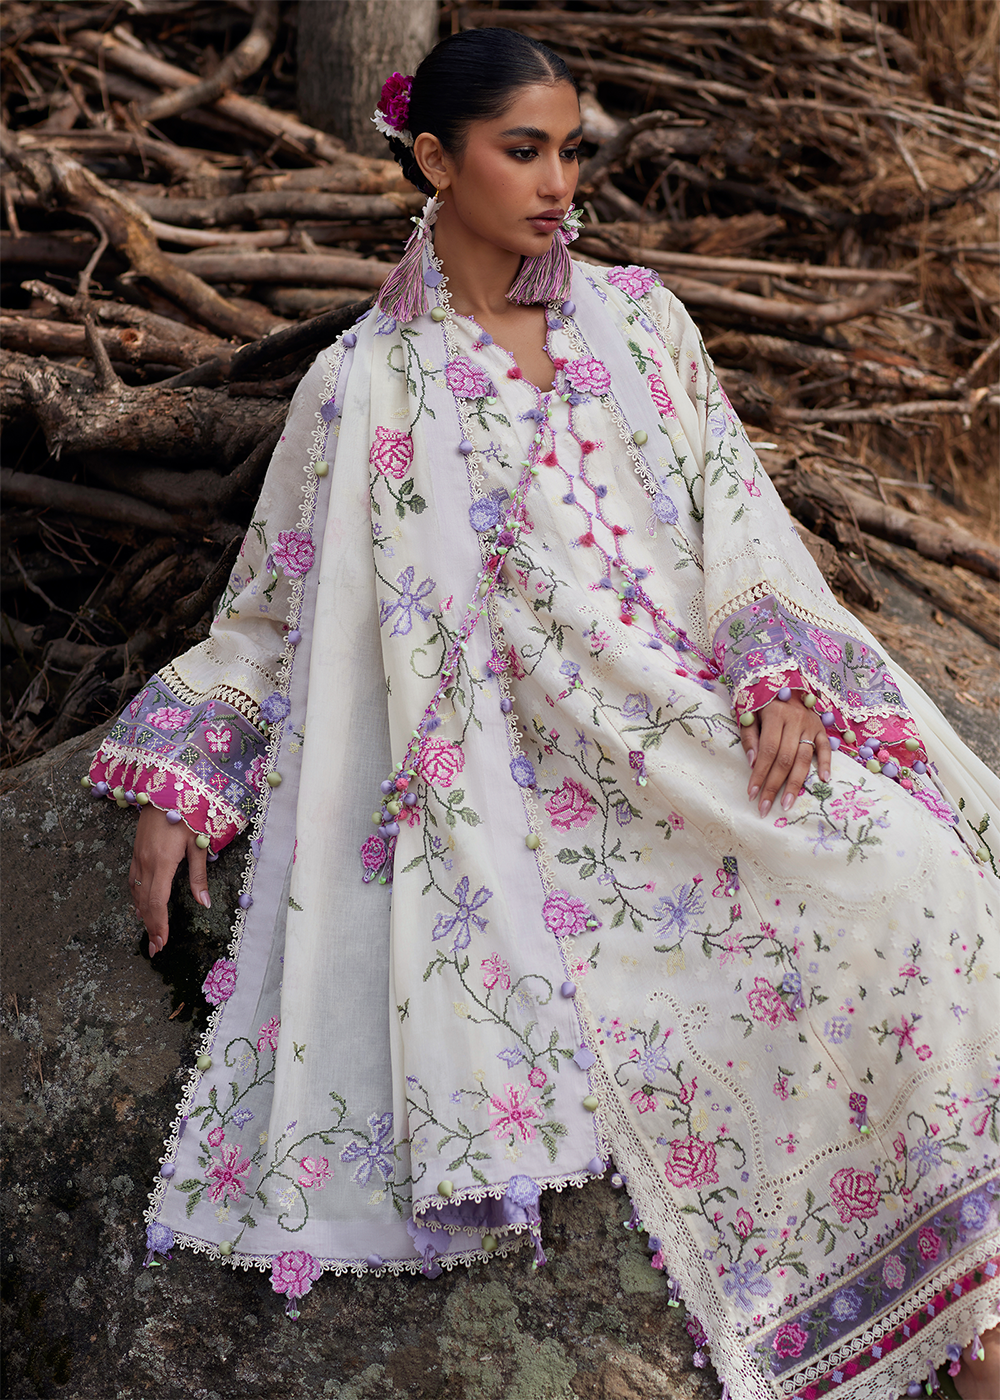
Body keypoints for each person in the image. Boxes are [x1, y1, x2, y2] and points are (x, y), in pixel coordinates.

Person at [86, 27, 1000, 1400]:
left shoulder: (640, 322)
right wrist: (188, 775)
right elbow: (274, 610)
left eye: (570, 151)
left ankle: (974, 1336)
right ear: (433, 160)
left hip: (703, 732)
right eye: (524, 151)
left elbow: (738, 514)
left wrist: (777, 666)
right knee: (788, 942)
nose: (559, 181)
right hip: (540, 798)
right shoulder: (364, 385)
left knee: (919, 867)